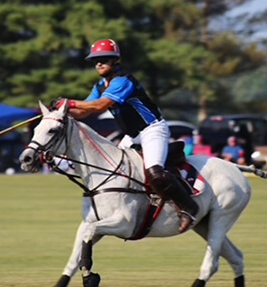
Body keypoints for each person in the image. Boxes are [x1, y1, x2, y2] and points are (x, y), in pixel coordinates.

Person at [52, 38, 198, 232]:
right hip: (132, 134)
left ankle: (188, 207)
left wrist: (69, 102)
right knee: (116, 170)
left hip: (152, 129)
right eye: (95, 60)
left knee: (154, 172)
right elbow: (85, 112)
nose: (99, 63)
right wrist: (60, 111)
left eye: (104, 59)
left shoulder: (123, 80)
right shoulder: (100, 85)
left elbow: (99, 105)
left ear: (115, 60)